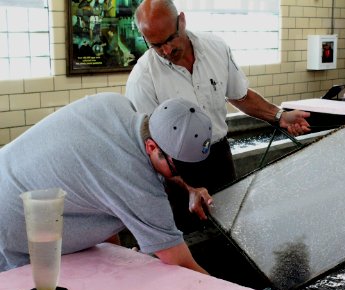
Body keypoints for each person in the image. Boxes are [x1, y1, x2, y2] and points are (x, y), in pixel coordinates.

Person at [125, 0, 312, 223]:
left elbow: (239, 95)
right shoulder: (143, 77)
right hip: (177, 168)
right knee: (190, 238)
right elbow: (149, 148)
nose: (166, 50)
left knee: (234, 230)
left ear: (182, 21)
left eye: (170, 39)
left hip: (219, 157)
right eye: (156, 45)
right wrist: (188, 188)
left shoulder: (215, 48)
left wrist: (279, 115)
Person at [0, 93, 213, 274]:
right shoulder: (136, 180)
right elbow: (182, 264)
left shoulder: (116, 104)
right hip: (13, 223)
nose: (182, 179)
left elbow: (96, 190)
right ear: (151, 147)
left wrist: (116, 258)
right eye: (177, 170)